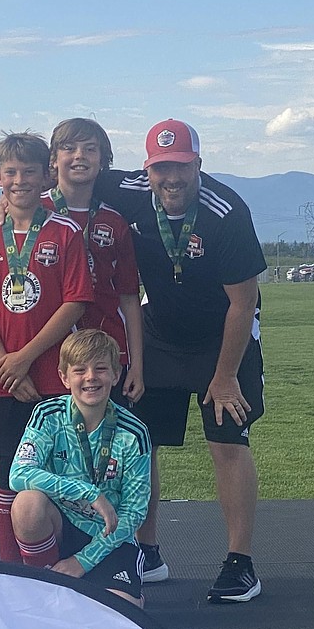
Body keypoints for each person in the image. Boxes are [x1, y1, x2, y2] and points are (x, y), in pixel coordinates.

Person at [97, 119, 266, 603]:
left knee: (227, 440)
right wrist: (7, 204)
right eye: (161, 168)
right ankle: (145, 551)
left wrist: (226, 376)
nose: (171, 178)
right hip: (161, 333)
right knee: (140, 441)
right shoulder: (128, 188)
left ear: (198, 164)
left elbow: (242, 302)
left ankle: (241, 564)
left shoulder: (226, 211)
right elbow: (66, 178)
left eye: (181, 167)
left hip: (224, 336)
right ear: (147, 168)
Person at [0, 131, 94, 564]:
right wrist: (7, 364)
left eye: (28, 172)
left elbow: (75, 302)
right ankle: (10, 571)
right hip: (2, 380)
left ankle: (57, 566)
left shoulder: (65, 232)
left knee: (57, 471)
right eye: (10, 172)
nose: (18, 180)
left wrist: (25, 359)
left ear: (46, 177)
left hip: (53, 379)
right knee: (8, 474)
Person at [8, 330, 151, 607]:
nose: (90, 377)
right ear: (64, 377)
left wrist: (81, 562)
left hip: (108, 536)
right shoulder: (47, 415)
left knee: (125, 612)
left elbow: (134, 513)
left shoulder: (134, 432)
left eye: (100, 369)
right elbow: (19, 473)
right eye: (80, 370)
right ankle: (44, 585)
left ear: (116, 374)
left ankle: (90, 584)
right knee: (27, 503)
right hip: (62, 527)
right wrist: (89, 493)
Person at [45, 119, 144, 406]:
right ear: (54, 160)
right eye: (69, 148)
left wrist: (136, 364)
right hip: (49, 353)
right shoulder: (32, 214)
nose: (79, 155)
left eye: (90, 149)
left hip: (107, 354)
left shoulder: (115, 221)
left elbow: (129, 298)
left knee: (107, 445)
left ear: (103, 161)